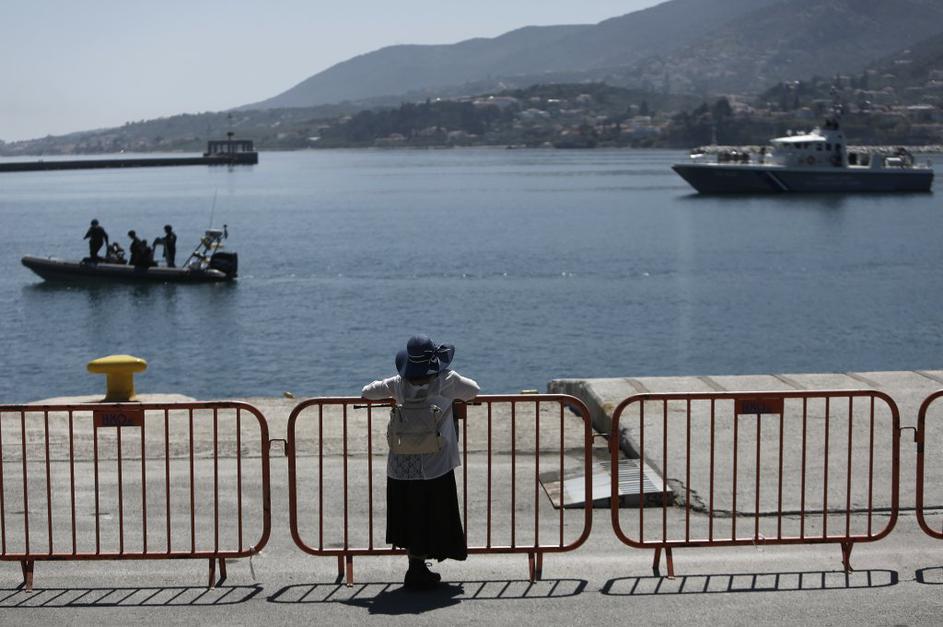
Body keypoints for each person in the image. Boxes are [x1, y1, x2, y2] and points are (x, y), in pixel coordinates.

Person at [361, 335, 479, 591]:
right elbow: (474, 390)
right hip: (436, 462)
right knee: (433, 513)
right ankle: (419, 570)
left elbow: (367, 392)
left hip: (402, 464)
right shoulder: (446, 381)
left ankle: (416, 568)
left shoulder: (398, 384)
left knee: (411, 515)